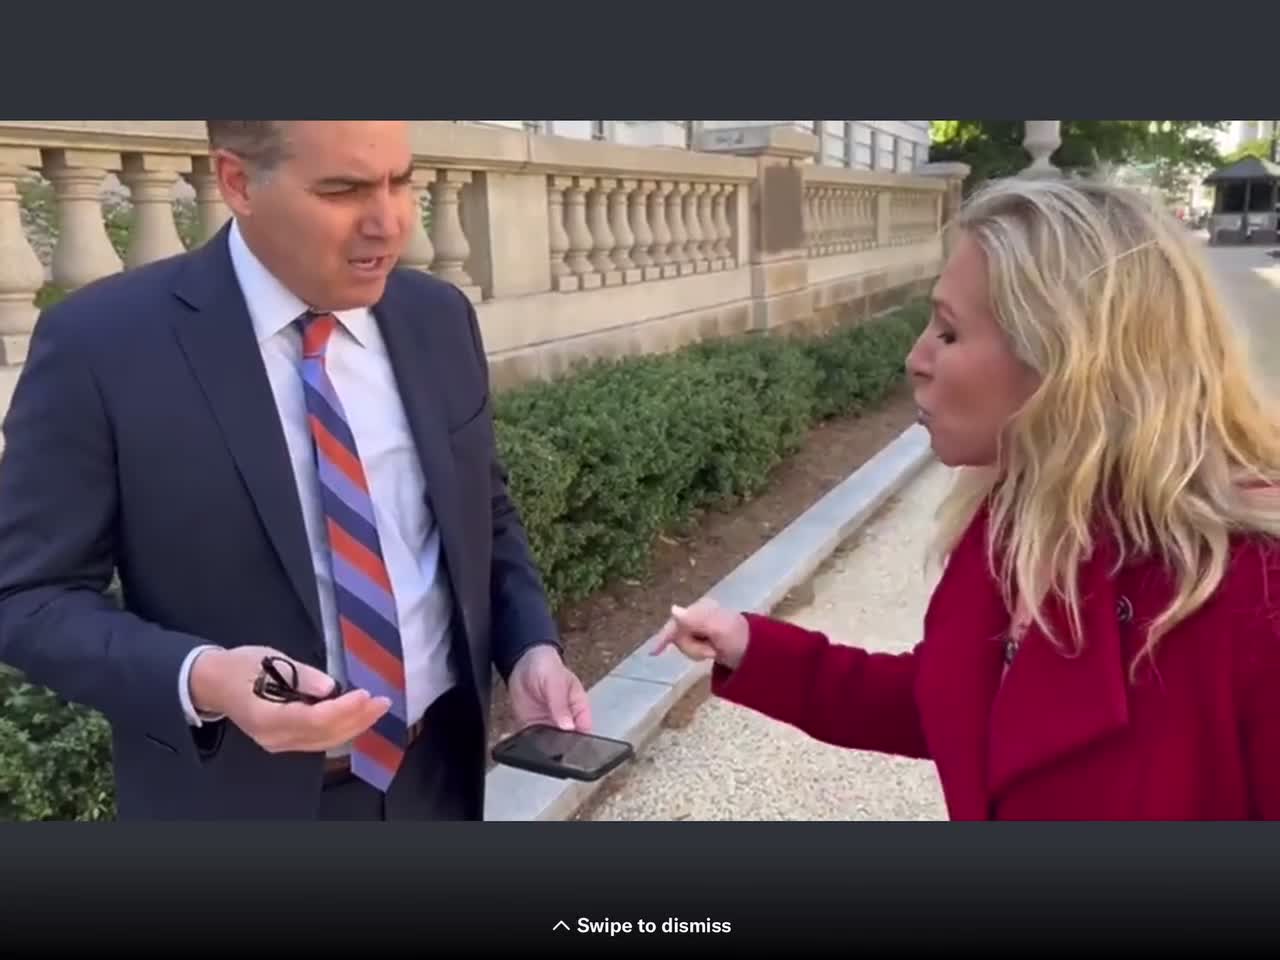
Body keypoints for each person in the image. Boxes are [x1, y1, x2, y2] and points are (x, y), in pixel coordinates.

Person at [0, 120, 591, 820]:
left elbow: (483, 516)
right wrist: (207, 679)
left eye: (401, 180)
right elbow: (29, 598)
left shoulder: (437, 317)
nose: (391, 222)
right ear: (237, 182)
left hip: (436, 779)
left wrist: (529, 649)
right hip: (231, 807)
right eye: (342, 189)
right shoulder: (104, 344)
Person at [654, 176, 1280, 820]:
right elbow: (956, 705)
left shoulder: (1254, 592)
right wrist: (750, 648)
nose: (916, 357)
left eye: (948, 334)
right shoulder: (1013, 521)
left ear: (1066, 359)